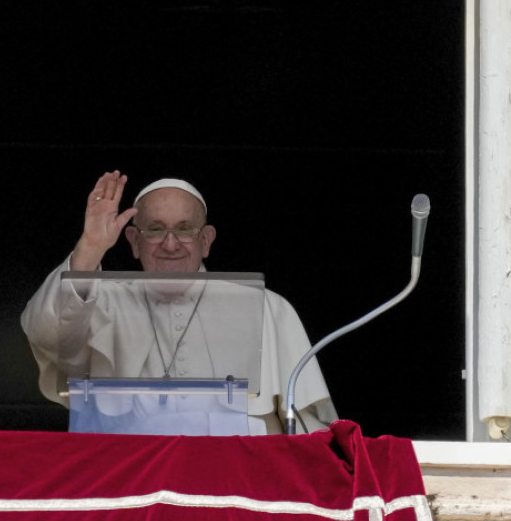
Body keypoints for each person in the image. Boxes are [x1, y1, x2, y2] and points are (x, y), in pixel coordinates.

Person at [21, 170, 337, 435]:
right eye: (155, 230)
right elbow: (47, 333)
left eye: (185, 230)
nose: (170, 245)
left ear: (206, 240)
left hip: (240, 482)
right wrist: (91, 247)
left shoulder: (268, 308)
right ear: (133, 241)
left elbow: (309, 426)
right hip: (136, 479)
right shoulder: (102, 301)